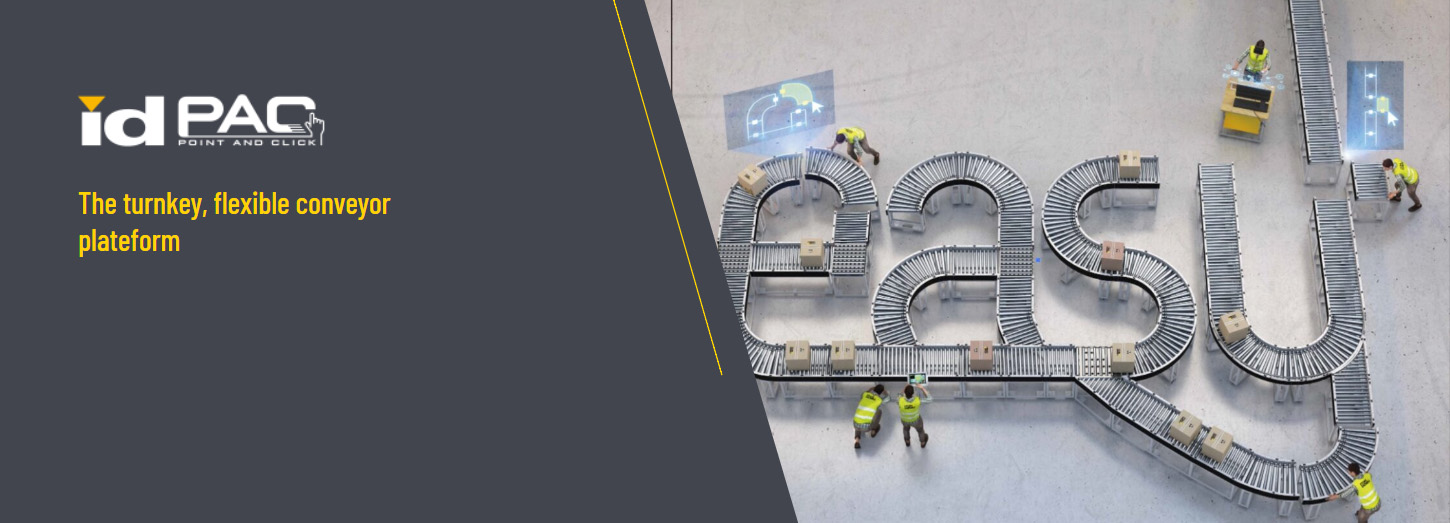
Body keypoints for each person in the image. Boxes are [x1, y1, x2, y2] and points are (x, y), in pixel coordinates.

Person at [896, 383, 932, 448]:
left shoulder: (900, 400)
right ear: (913, 394)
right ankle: (923, 442)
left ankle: (907, 441)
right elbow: (929, 399)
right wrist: (922, 388)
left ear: (905, 393)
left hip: (905, 420)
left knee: (906, 429)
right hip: (916, 420)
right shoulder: (917, 400)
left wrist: (905, 387)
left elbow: (899, 395)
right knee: (920, 431)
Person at [852, 384, 886, 449]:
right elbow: (888, 399)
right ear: (881, 392)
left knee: (859, 419)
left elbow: (863, 393)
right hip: (867, 428)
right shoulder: (879, 400)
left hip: (855, 424)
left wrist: (870, 389)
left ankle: (857, 440)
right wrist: (885, 392)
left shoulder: (865, 395)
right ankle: (873, 430)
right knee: (879, 411)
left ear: (874, 389)